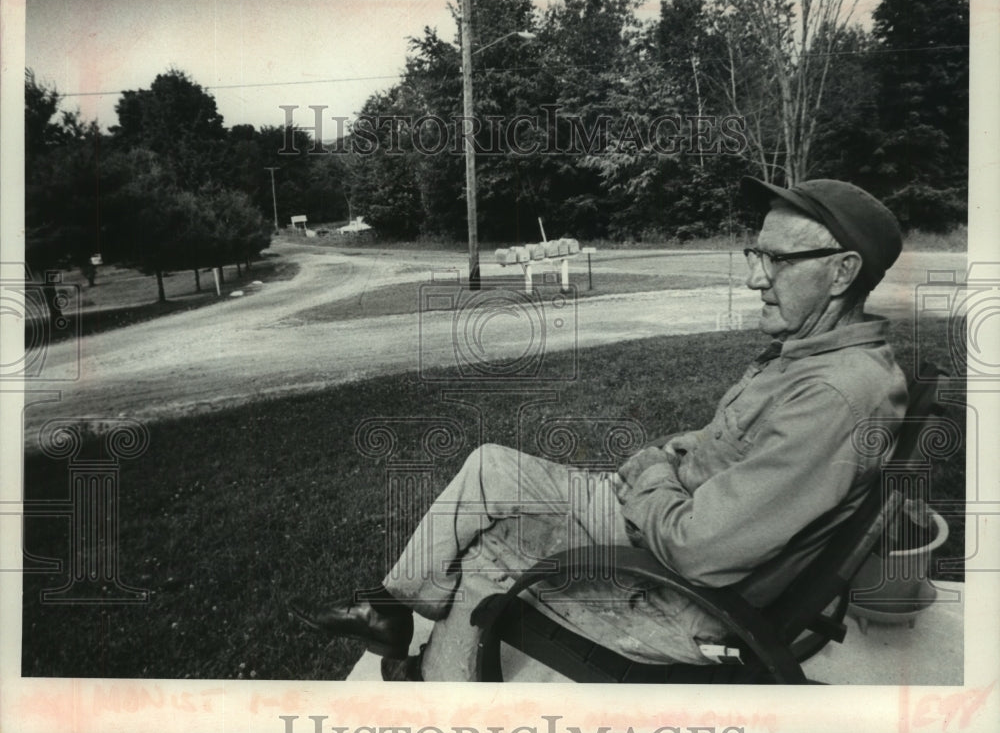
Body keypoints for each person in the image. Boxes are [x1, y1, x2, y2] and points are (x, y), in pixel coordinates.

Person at [290, 176, 908, 681]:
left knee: (490, 549)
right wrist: (679, 453)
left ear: (842, 271)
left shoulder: (833, 396)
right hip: (668, 519)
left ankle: (436, 694)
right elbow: (749, 459)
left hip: (684, 598)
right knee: (490, 466)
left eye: (776, 260)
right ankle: (394, 609)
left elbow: (700, 554)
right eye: (755, 256)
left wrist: (652, 472)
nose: (754, 278)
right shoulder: (817, 359)